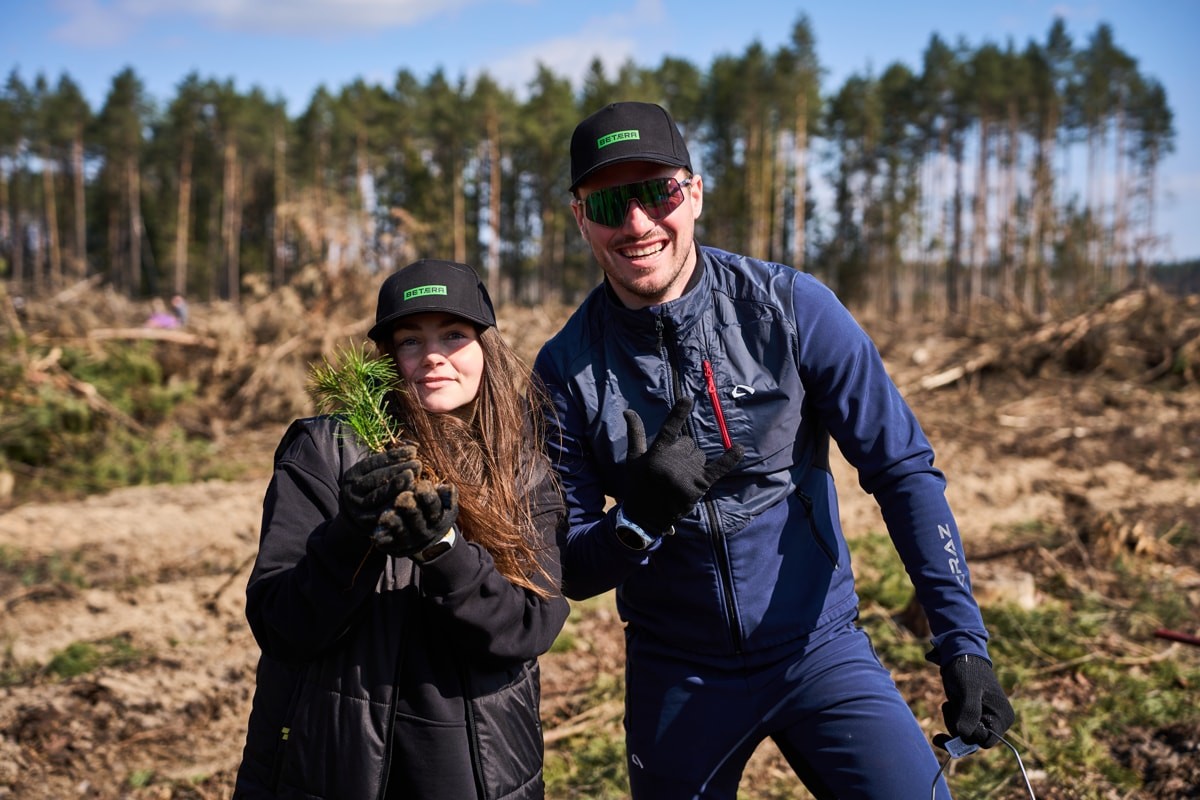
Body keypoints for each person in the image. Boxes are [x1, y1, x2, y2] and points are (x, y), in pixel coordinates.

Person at [532, 101, 1015, 799]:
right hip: (677, 669)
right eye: (609, 203)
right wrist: (637, 521)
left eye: (657, 193)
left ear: (694, 194)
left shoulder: (791, 309)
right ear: (581, 218)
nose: (636, 223)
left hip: (818, 648)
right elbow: (571, 567)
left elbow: (902, 469)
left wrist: (963, 644)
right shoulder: (564, 370)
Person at [234, 258, 570, 799]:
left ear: (487, 348)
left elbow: (531, 626)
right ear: (387, 361)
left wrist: (444, 552)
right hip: (330, 765)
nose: (432, 355)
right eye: (410, 340)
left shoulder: (521, 468)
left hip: (475, 772)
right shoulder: (325, 452)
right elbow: (280, 627)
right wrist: (351, 533)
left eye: (454, 335)